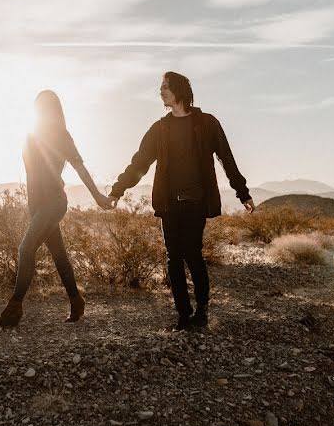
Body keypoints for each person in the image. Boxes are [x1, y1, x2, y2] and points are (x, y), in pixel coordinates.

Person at [109, 72, 254, 331]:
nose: (161, 92)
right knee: (173, 258)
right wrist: (117, 190)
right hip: (168, 203)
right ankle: (183, 315)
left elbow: (226, 158)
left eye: (165, 87)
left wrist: (242, 192)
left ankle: (202, 311)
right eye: (160, 88)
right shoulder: (160, 128)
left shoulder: (207, 123)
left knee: (192, 254)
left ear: (179, 90)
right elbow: (139, 163)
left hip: (196, 201)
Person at [0, 90, 112, 328]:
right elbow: (30, 174)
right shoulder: (30, 135)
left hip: (54, 202)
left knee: (26, 248)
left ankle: (14, 309)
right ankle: (77, 301)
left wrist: (97, 195)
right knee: (59, 256)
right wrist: (31, 207)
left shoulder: (61, 135)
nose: (40, 111)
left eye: (44, 107)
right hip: (36, 205)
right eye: (37, 107)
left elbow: (80, 168)